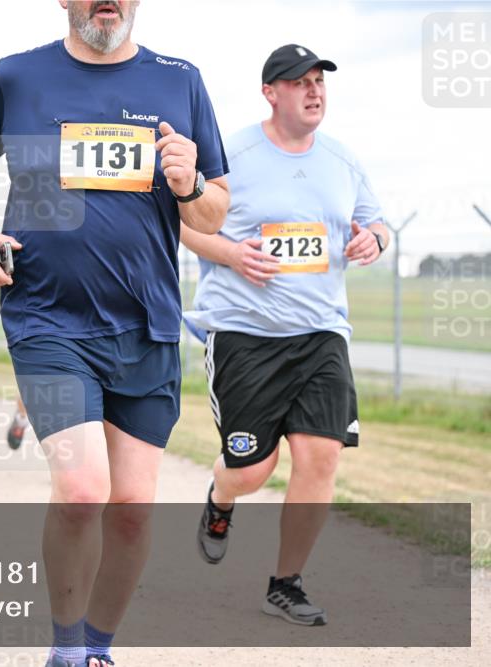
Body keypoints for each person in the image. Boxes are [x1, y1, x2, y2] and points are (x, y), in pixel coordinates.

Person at [0, 2, 229, 664]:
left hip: (148, 323)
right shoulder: (17, 76)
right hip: (47, 315)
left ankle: (99, 647)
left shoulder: (180, 80)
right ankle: (66, 647)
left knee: (133, 505)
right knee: (82, 490)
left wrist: (190, 185)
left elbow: (215, 212)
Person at [183, 44, 388, 628]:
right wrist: (232, 253)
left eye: (320, 80)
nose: (314, 90)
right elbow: (187, 225)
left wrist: (375, 238)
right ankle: (221, 500)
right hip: (246, 333)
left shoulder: (343, 161)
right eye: (299, 82)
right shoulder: (233, 154)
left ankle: (286, 583)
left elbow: (375, 221)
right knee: (253, 470)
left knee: (321, 456)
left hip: (321, 332)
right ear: (271, 92)